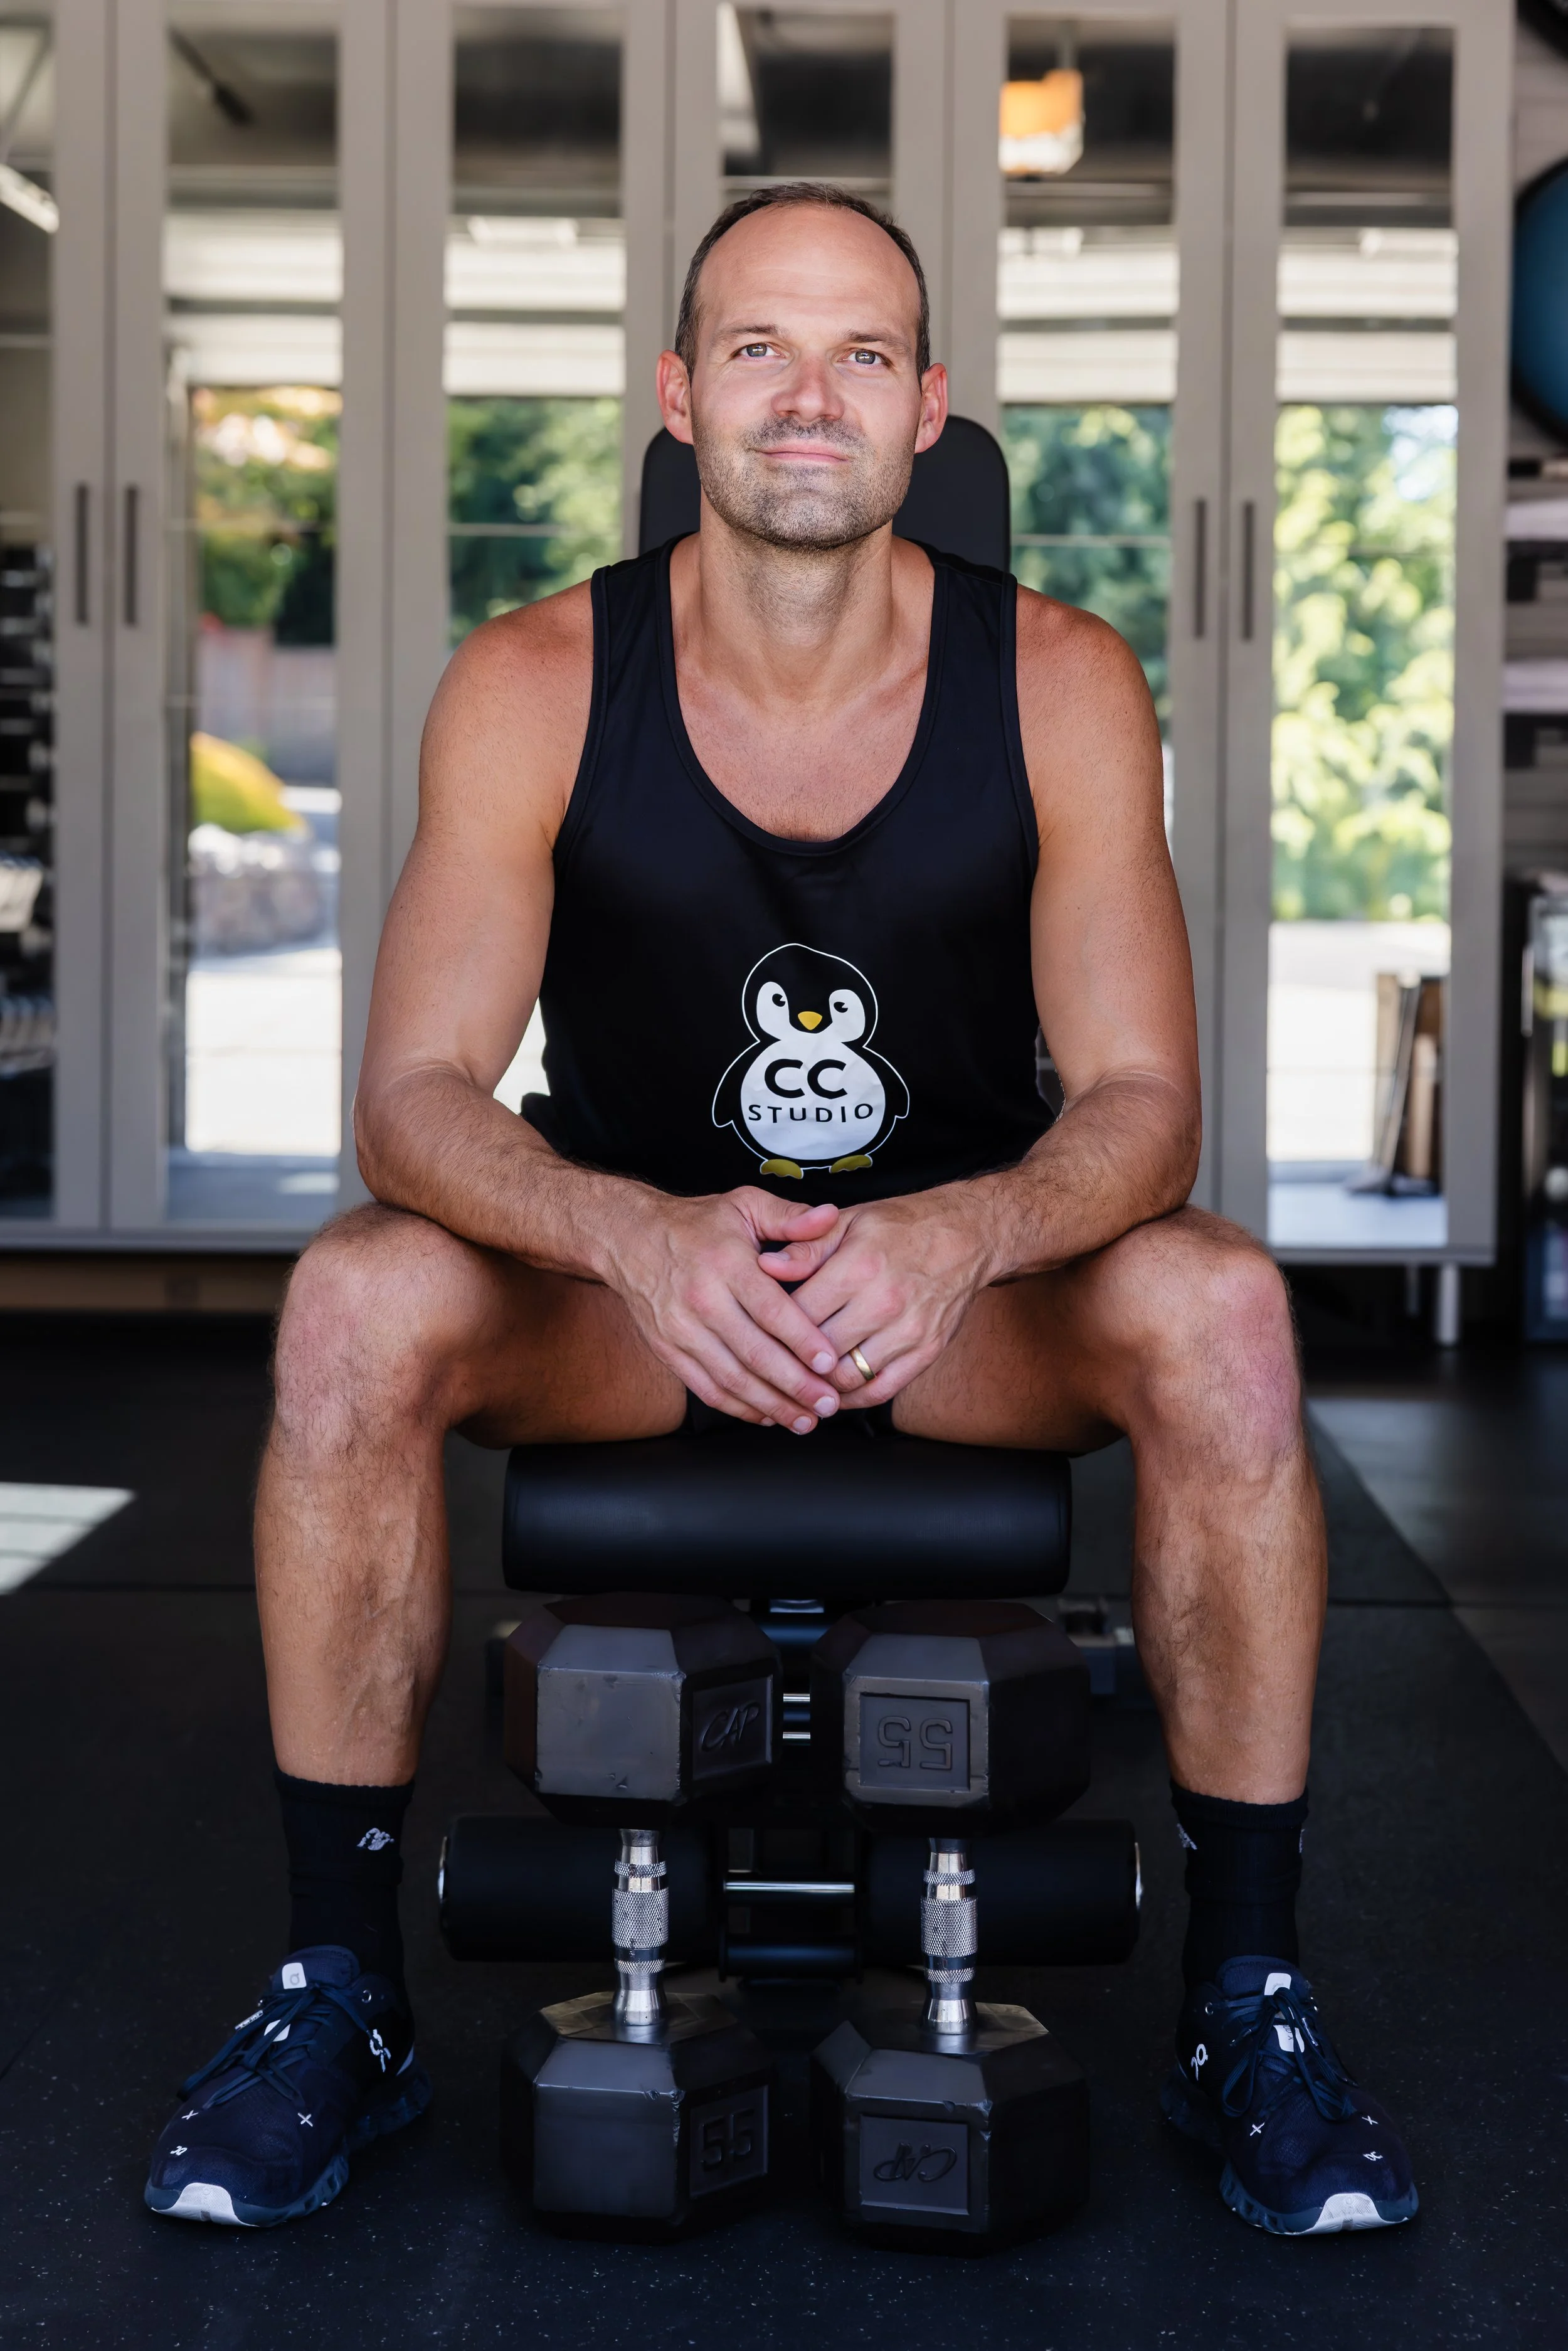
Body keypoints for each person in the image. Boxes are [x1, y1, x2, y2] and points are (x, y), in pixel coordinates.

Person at [146, 183, 1416, 2238]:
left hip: (964, 1297)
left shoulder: (1066, 679)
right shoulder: (538, 673)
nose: (804, 398)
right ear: (679, 397)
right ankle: (338, 1997)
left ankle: (1246, 1997)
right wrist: (637, 1234)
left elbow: (1144, 1103)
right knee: (354, 1304)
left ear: (930, 407)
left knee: (1224, 1311)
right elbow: (407, 1099)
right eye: (755, 349)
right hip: (629, 1294)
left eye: (856, 356)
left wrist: (962, 1232)